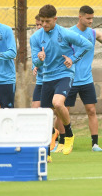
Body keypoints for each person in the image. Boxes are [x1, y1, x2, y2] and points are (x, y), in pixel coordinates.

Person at [55, 5, 102, 152]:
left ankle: (95, 144)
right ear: (80, 17)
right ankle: (61, 142)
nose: (91, 21)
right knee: (63, 111)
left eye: (92, 18)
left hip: (86, 80)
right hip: (69, 79)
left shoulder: (93, 33)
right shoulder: (69, 33)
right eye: (88, 18)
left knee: (91, 110)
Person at [30, 4, 93, 162]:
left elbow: (87, 45)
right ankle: (47, 153)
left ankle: (69, 134)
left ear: (55, 19)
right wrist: (39, 60)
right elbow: (34, 63)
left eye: (48, 21)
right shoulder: (35, 38)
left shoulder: (65, 33)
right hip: (47, 78)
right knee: (45, 116)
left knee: (58, 103)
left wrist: (73, 59)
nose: (44, 24)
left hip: (64, 74)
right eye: (42, 21)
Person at [31, 14, 60, 154]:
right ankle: (46, 137)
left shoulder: (53, 38)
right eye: (37, 24)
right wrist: (35, 66)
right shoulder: (36, 40)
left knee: (54, 110)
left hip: (53, 79)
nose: (40, 26)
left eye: (41, 24)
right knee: (37, 110)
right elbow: (34, 59)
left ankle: (55, 137)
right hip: (41, 81)